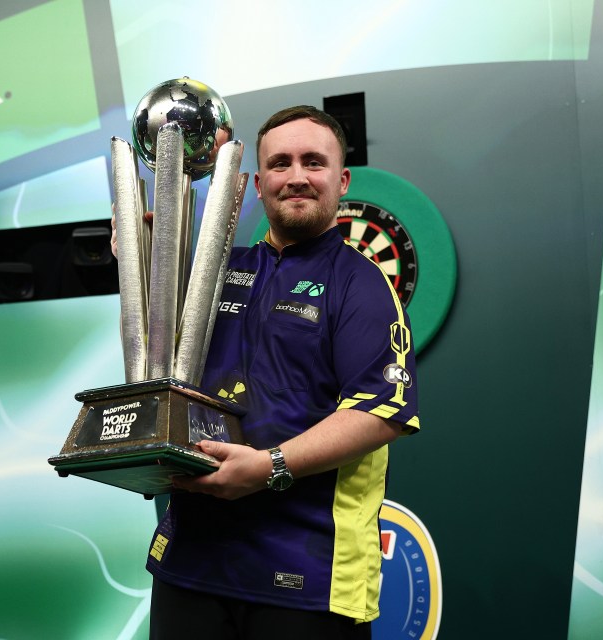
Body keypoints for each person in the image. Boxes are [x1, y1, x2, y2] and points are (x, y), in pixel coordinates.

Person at [113, 105, 419, 640]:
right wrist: (144, 254)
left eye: (313, 162)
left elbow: (379, 413)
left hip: (307, 577)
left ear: (340, 180)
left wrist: (269, 465)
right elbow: (159, 368)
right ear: (257, 183)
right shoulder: (214, 273)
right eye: (280, 163)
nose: (296, 176)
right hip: (191, 565)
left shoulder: (363, 285)